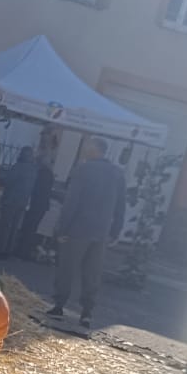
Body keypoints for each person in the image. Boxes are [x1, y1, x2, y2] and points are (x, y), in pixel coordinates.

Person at [48, 137, 126, 326]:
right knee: (92, 272)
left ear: (95, 150)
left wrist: (62, 228)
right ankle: (87, 311)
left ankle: (59, 305)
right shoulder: (117, 173)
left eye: (87, 146)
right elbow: (121, 204)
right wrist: (115, 230)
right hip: (102, 230)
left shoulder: (83, 170)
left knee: (67, 267)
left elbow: (72, 200)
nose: (84, 149)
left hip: (78, 228)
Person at [0, 146, 38, 257]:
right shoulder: (33, 169)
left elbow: (8, 182)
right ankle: (8, 250)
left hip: (11, 200)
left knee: (5, 226)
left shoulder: (18, 167)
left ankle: (0, 250)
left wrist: (4, 197)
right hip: (23, 202)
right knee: (14, 227)